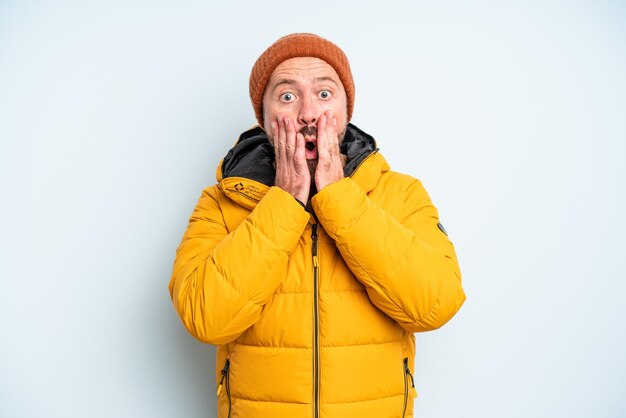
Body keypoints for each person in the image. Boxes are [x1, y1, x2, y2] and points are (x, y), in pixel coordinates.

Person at [169, 33, 466, 418]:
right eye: (288, 96)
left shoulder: (402, 194)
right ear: (264, 118)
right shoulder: (222, 202)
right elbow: (205, 319)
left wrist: (339, 197)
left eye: (324, 94)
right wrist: (285, 202)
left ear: (347, 110)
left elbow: (436, 305)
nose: (308, 113)